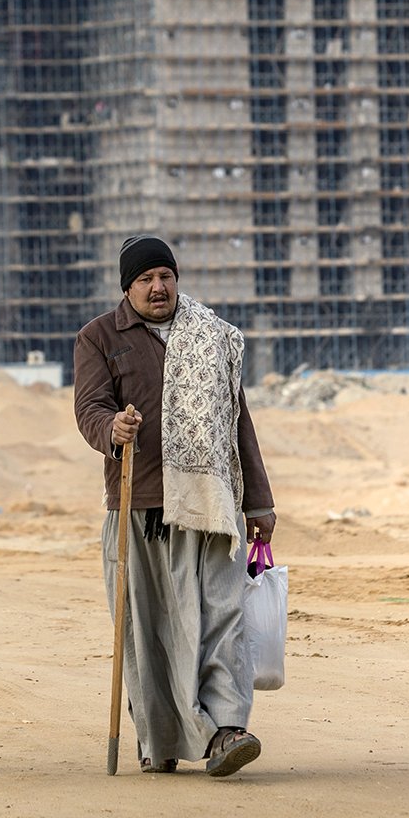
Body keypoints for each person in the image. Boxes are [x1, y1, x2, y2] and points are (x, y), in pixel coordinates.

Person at [73, 235, 277, 777]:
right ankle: (160, 737)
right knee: (150, 628)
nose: (158, 287)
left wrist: (259, 501)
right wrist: (112, 428)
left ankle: (228, 729)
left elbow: (238, 422)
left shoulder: (211, 336)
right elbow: (90, 407)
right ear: (127, 287)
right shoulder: (99, 338)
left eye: (166, 275)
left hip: (212, 504)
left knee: (220, 616)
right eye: (146, 279)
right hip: (139, 506)